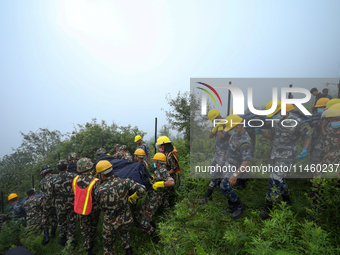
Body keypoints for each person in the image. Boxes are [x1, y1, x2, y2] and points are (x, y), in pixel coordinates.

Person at [255, 100, 311, 220]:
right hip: (274, 156)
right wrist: (261, 132)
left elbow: (306, 137)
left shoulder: (297, 122)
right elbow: (273, 137)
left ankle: (269, 206)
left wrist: (305, 148)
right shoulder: (275, 121)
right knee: (280, 178)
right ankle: (287, 199)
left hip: (287, 157)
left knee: (274, 180)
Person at [95, 160, 147, 255]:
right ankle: (129, 251)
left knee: (108, 246)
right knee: (125, 233)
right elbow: (143, 189)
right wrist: (133, 197)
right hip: (126, 220)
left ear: (102, 175)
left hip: (110, 224)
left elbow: (100, 207)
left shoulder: (98, 190)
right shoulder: (124, 181)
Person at [219, 114, 251, 219]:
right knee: (223, 186)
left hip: (235, 166)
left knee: (225, 185)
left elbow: (247, 160)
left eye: (231, 129)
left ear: (238, 126)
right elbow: (231, 142)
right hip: (229, 163)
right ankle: (232, 206)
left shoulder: (245, 141)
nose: (229, 131)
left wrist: (235, 174)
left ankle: (239, 206)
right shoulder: (236, 134)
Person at [139, 153, 175, 244]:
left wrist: (161, 184)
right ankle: (151, 225)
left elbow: (171, 182)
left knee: (144, 223)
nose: (154, 162)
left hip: (155, 199)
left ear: (158, 162)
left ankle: (155, 236)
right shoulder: (158, 170)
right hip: (150, 196)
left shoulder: (163, 170)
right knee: (141, 213)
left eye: (155, 161)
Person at [200, 109, 229, 204]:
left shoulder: (226, 124)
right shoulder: (215, 124)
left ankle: (207, 196)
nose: (213, 121)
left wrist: (219, 127)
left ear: (217, 117)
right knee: (211, 169)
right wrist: (215, 128)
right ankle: (221, 187)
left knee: (216, 173)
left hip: (224, 154)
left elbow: (220, 137)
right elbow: (210, 135)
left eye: (213, 119)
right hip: (217, 153)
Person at [72, 158, 100, 255]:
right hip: (93, 209)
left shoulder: (75, 179)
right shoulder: (96, 181)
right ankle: (92, 241)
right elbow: (98, 196)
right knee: (93, 226)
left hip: (80, 208)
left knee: (84, 228)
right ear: (90, 166)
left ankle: (87, 248)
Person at [48, 160, 77, 247]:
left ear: (57, 169)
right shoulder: (74, 176)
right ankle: (71, 239)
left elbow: (50, 194)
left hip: (59, 203)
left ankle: (62, 238)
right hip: (72, 202)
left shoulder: (53, 179)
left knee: (61, 221)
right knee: (72, 220)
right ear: (67, 167)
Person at [156, 136, 181, 209]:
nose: (160, 147)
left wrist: (164, 174)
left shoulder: (170, 156)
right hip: (166, 176)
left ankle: (166, 209)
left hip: (170, 177)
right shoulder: (166, 153)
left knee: (165, 194)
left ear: (164, 145)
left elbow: (174, 169)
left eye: (160, 145)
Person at [39, 164, 58, 245]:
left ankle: (46, 235)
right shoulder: (57, 177)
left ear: (43, 173)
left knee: (45, 218)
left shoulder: (41, 182)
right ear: (52, 171)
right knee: (55, 217)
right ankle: (53, 233)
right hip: (56, 201)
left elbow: (41, 193)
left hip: (46, 202)